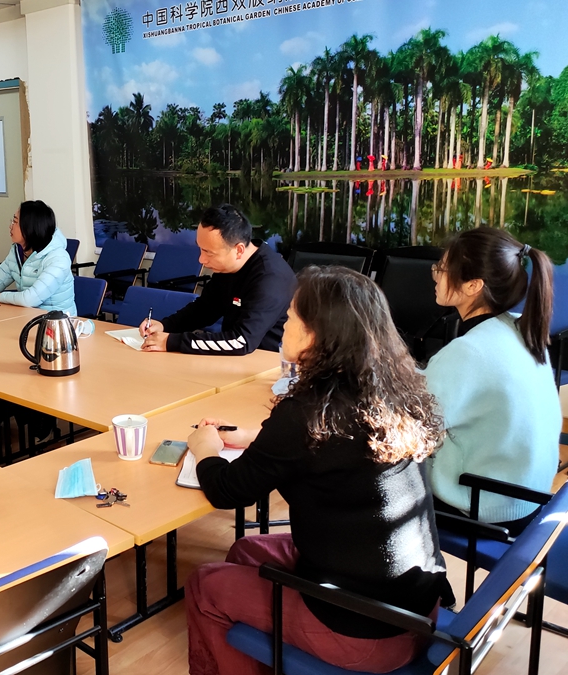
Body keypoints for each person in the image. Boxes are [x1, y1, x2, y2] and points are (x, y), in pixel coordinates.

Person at [184, 266, 452, 675]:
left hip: (364, 630)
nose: (284, 322)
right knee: (244, 551)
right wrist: (257, 437)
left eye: (292, 316)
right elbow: (330, 447)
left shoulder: (307, 412)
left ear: (315, 335)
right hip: (414, 607)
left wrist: (205, 449)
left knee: (204, 584)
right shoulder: (390, 390)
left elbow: (228, 491)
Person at [425, 228, 560, 536]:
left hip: (483, 507)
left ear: (473, 285)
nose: (435, 277)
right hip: (527, 497)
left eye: (441, 269)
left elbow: (415, 420)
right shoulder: (522, 330)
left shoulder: (469, 350)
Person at [0, 200, 74, 439]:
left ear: (30, 227)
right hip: (24, 322)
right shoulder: (17, 252)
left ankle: (42, 427)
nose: (10, 225)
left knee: (25, 361)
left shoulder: (58, 258)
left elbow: (31, 298)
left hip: (55, 330)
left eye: (15, 221)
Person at [138, 204, 295, 355]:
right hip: (237, 360)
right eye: (201, 249)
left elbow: (241, 341)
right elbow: (205, 309)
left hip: (269, 363)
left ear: (239, 250)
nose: (201, 259)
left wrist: (172, 341)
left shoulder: (270, 279)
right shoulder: (227, 267)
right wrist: (165, 326)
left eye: (209, 252)